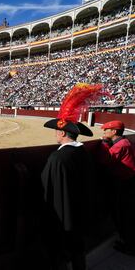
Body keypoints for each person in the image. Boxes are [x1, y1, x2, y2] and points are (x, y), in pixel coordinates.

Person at [40, 83, 103, 270]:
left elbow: (48, 189)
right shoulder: (83, 152)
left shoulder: (57, 158)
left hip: (63, 216)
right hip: (81, 212)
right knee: (77, 249)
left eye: (56, 131)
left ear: (61, 132)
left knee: (59, 251)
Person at [100, 120, 135, 255]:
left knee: (124, 214)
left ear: (114, 132)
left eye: (106, 130)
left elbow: (105, 160)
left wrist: (103, 143)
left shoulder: (120, 145)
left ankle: (130, 245)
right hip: (129, 181)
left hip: (123, 183)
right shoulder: (127, 142)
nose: (104, 132)